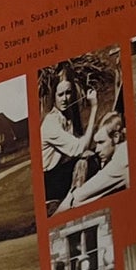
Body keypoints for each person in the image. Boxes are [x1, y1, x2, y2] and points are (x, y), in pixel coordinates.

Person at [40, 70, 101, 212]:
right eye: (60, 94)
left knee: (94, 156)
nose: (65, 99)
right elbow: (80, 148)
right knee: (87, 162)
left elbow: (81, 143)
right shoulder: (51, 123)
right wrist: (94, 107)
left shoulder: (65, 116)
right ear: (53, 96)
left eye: (68, 93)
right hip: (48, 182)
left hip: (57, 173)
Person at [55, 111, 128, 212]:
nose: (97, 149)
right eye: (96, 143)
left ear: (116, 137)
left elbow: (77, 197)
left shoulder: (119, 163)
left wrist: (55, 215)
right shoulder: (124, 149)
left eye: (101, 142)